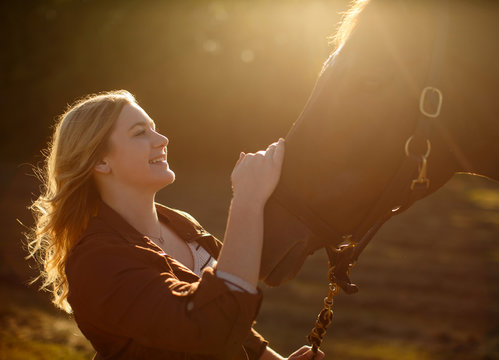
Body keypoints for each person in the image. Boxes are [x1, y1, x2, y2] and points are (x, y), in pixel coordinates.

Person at [27, 90, 325, 360]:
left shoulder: (181, 223)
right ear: (101, 162)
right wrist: (248, 200)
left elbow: (230, 321)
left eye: (154, 128)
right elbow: (209, 325)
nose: (162, 140)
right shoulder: (97, 260)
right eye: (140, 133)